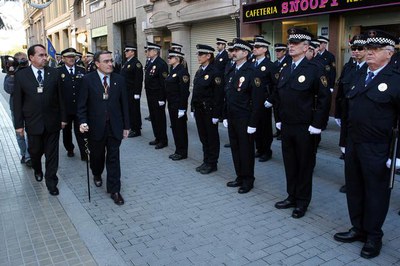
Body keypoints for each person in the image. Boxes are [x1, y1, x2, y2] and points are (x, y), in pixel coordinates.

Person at [333, 30, 400, 259]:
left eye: (375, 49)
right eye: (367, 48)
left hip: (378, 148)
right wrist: (343, 142)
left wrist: (397, 154)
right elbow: (349, 110)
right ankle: (358, 228)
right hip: (354, 144)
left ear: (389, 54)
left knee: (376, 193)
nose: (369, 52)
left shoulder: (396, 79)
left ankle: (373, 236)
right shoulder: (361, 74)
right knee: (355, 188)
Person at [266, 28, 331, 219]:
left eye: (295, 44)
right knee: (290, 163)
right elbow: (279, 97)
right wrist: (278, 121)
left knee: (304, 165)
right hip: (287, 125)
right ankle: (291, 196)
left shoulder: (314, 69)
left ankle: (302, 201)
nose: (290, 46)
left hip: (305, 127)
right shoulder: (285, 68)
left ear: (305, 47)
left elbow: (325, 98)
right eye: (289, 43)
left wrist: (317, 124)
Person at [13, 44, 67, 196]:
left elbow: (61, 98)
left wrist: (63, 118)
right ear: (31, 58)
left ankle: (51, 182)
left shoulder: (54, 73)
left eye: (45, 55)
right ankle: (37, 169)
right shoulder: (21, 75)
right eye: (41, 55)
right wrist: (19, 125)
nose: (45, 58)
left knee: (52, 154)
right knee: (35, 152)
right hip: (33, 122)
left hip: (52, 122)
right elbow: (17, 102)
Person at [77, 50, 130, 205]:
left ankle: (115, 190)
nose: (110, 64)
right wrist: (82, 121)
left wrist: (126, 125)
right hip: (95, 127)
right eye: (106, 61)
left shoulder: (118, 80)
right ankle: (97, 173)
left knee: (113, 158)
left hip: (114, 126)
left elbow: (124, 104)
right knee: (97, 156)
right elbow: (82, 105)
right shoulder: (88, 80)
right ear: (97, 64)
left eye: (111, 61)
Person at [224, 39, 264, 194]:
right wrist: (225, 116)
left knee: (246, 150)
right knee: (235, 148)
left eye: (237, 50)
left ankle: (248, 180)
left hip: (244, 118)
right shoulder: (231, 69)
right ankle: (239, 176)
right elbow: (227, 95)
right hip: (232, 116)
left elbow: (257, 100)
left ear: (246, 53)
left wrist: (253, 123)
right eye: (233, 50)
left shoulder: (253, 72)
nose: (233, 53)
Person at [334, 34, 367, 193]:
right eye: (353, 48)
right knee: (347, 151)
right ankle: (350, 182)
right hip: (348, 116)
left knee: (361, 153)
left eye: (360, 48)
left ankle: (362, 183)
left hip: (363, 119)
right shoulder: (349, 67)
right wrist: (338, 114)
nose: (356, 51)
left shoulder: (370, 68)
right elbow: (341, 93)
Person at [191, 44, 224, 174]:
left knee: (212, 138)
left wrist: (217, 114)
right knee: (203, 137)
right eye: (198, 54)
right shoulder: (200, 70)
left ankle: (212, 163)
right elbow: (196, 91)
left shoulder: (215, 72)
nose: (198, 57)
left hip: (209, 111)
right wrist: (192, 107)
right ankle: (206, 161)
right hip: (199, 110)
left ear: (208, 56)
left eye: (201, 54)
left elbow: (218, 95)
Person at [58, 47, 87, 160]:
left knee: (82, 131)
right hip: (66, 108)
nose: (71, 59)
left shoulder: (82, 70)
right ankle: (69, 148)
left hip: (80, 108)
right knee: (66, 132)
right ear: (63, 58)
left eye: (73, 57)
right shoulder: (58, 71)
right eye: (68, 57)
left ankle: (85, 153)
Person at [3, 52, 31, 167]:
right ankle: (24, 153)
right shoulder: (11, 73)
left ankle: (30, 156)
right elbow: (8, 89)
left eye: (23, 59)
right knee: (20, 133)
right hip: (16, 108)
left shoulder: (31, 72)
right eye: (19, 60)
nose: (22, 62)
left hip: (30, 108)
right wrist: (11, 75)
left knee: (31, 133)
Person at [252, 36, 275, 163]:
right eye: (254, 47)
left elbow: (276, 85)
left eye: (257, 47)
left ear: (265, 49)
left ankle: (267, 151)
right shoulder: (252, 64)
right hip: (253, 102)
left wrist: (271, 100)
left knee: (265, 128)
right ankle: (259, 148)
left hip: (264, 102)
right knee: (255, 125)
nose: (254, 49)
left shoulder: (270, 65)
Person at [165, 49, 190, 160]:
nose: (168, 59)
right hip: (171, 104)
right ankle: (178, 150)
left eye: (171, 57)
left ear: (177, 59)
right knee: (175, 128)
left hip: (178, 105)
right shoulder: (173, 70)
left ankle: (182, 152)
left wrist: (182, 108)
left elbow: (184, 92)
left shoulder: (182, 72)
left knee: (180, 129)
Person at [144, 42, 169, 149]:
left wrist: (162, 98)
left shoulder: (161, 64)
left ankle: (163, 140)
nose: (147, 52)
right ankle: (157, 137)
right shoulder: (150, 62)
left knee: (159, 118)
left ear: (155, 51)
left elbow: (163, 83)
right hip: (150, 95)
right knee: (153, 117)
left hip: (157, 96)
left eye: (149, 50)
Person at [120, 45, 144, 138]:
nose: (125, 52)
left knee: (134, 111)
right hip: (126, 91)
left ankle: (136, 129)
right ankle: (131, 127)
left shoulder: (136, 63)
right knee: (129, 110)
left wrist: (137, 93)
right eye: (125, 51)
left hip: (132, 91)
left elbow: (138, 79)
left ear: (133, 52)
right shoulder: (127, 62)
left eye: (127, 51)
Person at [272, 43, 291, 140]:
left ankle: (283, 132)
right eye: (276, 51)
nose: (277, 53)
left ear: (284, 52)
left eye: (279, 51)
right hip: (276, 92)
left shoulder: (289, 62)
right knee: (276, 112)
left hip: (284, 92)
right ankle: (278, 130)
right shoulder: (275, 63)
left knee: (282, 112)